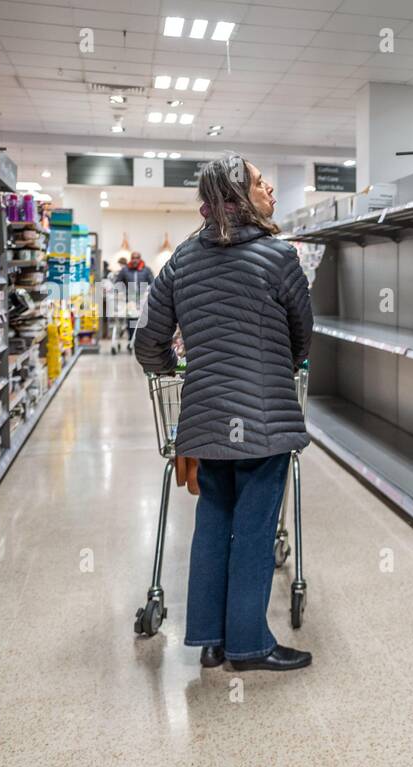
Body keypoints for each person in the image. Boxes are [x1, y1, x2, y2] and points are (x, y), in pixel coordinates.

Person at [133, 154, 314, 672]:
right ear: (239, 197)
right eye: (259, 181)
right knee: (255, 529)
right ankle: (249, 645)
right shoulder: (280, 258)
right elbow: (303, 337)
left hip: (205, 419)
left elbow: (148, 341)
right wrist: (282, 361)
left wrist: (174, 364)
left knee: (213, 522)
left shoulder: (180, 263)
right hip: (265, 422)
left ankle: (211, 639)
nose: (270, 187)